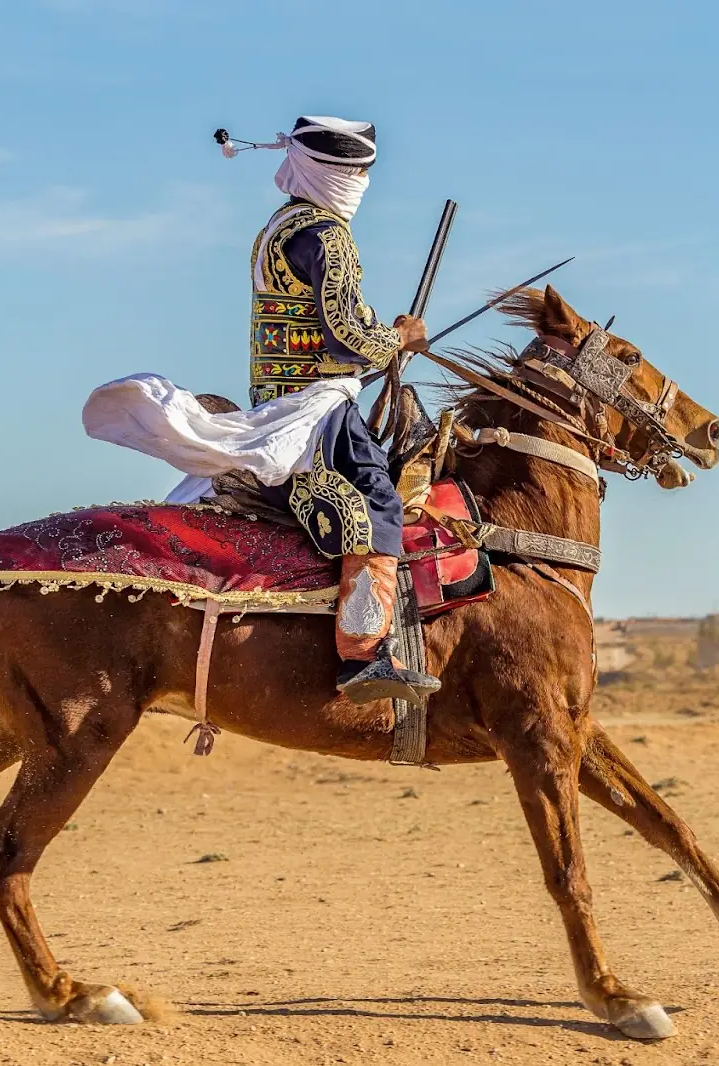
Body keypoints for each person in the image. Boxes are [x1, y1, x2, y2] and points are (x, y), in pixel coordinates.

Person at [245, 116, 441, 705]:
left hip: (284, 396)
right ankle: (363, 654)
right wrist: (399, 339)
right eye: (352, 171)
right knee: (376, 500)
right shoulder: (325, 234)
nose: (359, 181)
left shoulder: (277, 227)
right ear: (326, 171)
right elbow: (347, 339)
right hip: (316, 404)